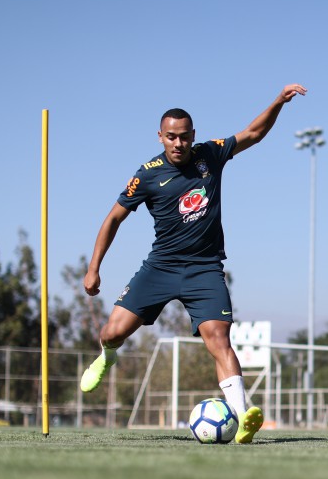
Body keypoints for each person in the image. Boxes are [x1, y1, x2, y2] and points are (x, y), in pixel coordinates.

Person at [80, 83, 308, 444]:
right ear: (160, 136)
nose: (178, 144)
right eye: (171, 137)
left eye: (184, 137)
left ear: (193, 136)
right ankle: (107, 356)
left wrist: (278, 102)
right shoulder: (148, 174)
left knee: (219, 338)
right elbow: (112, 219)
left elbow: (253, 133)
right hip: (161, 267)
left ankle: (242, 414)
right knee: (112, 332)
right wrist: (94, 268)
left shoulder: (210, 155)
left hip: (204, 268)